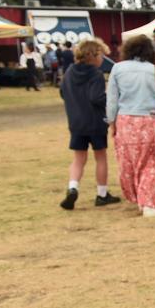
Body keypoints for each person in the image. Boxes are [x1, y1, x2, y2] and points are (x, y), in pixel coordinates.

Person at [105, 35, 155, 217]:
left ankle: (138, 196)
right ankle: (151, 203)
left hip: (125, 122)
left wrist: (111, 122)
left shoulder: (118, 69)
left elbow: (112, 100)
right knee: (151, 163)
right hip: (151, 121)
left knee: (128, 163)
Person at [59, 39, 121, 210]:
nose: (103, 58)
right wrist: (111, 101)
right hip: (95, 122)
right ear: (93, 55)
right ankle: (102, 194)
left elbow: (63, 92)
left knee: (79, 159)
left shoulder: (69, 72)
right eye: (101, 54)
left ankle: (73, 187)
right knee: (100, 156)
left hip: (76, 122)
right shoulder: (95, 74)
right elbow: (96, 97)